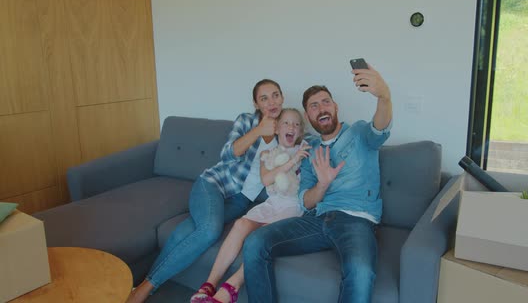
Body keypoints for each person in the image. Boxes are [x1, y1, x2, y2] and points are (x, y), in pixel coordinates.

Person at [242, 63, 393, 303]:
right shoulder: (308, 149)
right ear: (308, 118)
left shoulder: (359, 133)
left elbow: (381, 128)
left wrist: (384, 95)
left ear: (335, 107)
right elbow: (305, 200)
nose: (320, 108)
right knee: (254, 243)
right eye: (313, 106)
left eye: (325, 102)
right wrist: (322, 184)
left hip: (356, 220)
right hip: (316, 219)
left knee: (361, 271)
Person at [126, 79, 285, 303]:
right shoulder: (247, 121)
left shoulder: (286, 130)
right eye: (264, 98)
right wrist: (258, 130)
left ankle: (143, 283)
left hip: (239, 201)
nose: (271, 102)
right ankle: (146, 289)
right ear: (256, 103)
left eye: (275, 95)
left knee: (190, 229)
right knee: (210, 230)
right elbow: (228, 154)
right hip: (213, 185)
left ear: (282, 98)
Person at [191, 108, 310, 303]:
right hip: (272, 204)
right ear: (277, 128)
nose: (292, 127)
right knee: (240, 225)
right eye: (287, 123)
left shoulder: (304, 148)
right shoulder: (267, 154)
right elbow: (266, 179)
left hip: (293, 209)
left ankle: (229, 290)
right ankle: (208, 286)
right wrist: (292, 162)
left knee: (259, 238)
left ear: (301, 132)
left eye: (296, 124)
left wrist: (299, 155)